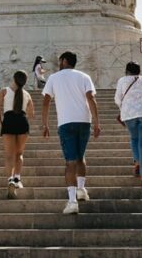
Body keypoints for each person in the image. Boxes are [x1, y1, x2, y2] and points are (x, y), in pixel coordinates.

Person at [42, 51, 101, 215]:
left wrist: (45, 124)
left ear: (64, 61)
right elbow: (91, 98)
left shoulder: (54, 78)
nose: (59, 63)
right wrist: (96, 122)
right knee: (81, 157)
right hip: (84, 121)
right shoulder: (84, 76)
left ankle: (72, 201)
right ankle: (81, 189)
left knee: (70, 162)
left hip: (66, 122)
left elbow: (46, 101)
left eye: (60, 60)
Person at [114, 62, 142, 188]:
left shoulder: (122, 80)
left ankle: (137, 162)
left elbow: (117, 99)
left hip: (129, 115)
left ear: (127, 71)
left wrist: (124, 107)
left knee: (134, 138)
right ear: (139, 71)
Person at [0, 70, 35, 199]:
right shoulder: (27, 94)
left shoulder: (4, 91)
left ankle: (10, 179)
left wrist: (1, 123)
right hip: (22, 122)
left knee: (9, 155)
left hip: (8, 121)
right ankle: (18, 179)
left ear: (13, 78)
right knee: (19, 153)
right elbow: (31, 114)